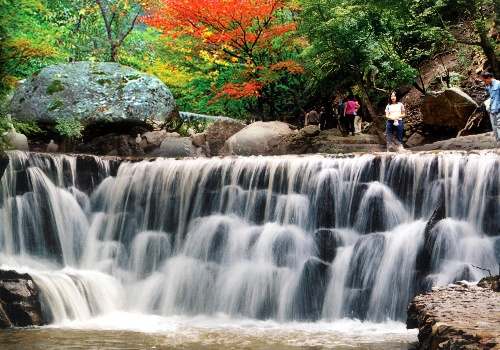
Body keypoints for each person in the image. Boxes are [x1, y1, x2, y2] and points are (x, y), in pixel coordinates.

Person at [480, 71, 500, 143]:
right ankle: (498, 142)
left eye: (484, 80)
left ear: (488, 78)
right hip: (491, 110)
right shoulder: (488, 86)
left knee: (499, 126)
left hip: (498, 109)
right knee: (494, 127)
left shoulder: (498, 84)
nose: (484, 82)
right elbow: (490, 96)